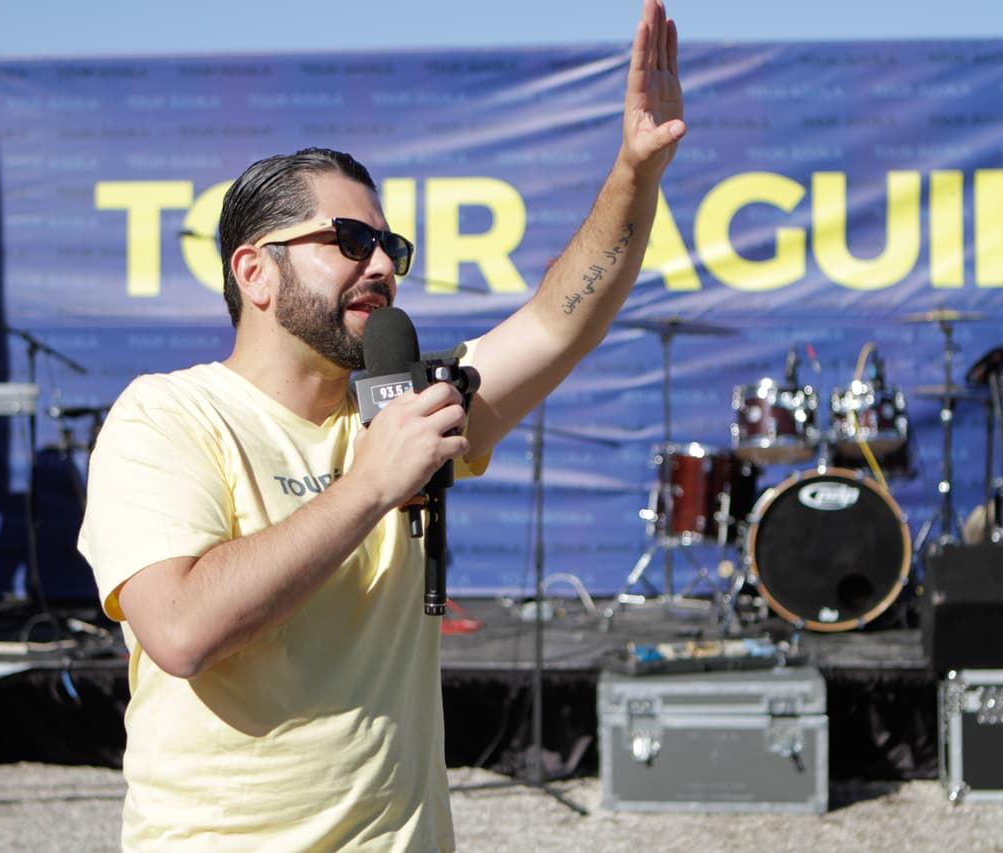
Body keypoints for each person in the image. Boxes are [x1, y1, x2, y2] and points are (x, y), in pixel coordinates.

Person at [77, 1, 685, 848]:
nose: (380, 266)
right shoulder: (168, 415)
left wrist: (634, 173)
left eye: (390, 247)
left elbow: (557, 321)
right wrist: (368, 486)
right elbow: (181, 630)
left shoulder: (403, 406)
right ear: (254, 271)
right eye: (351, 239)